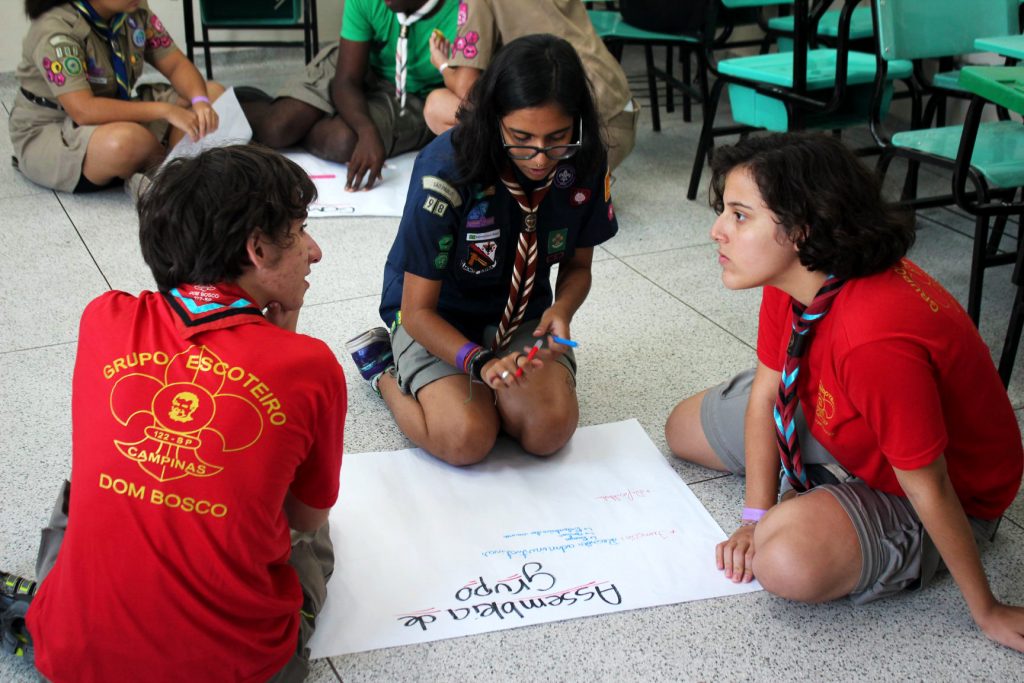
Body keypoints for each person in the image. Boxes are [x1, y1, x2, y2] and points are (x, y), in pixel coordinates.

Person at [665, 132, 1024, 652]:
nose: (717, 230)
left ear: (802, 229)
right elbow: (769, 394)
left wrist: (986, 610)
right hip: (846, 410)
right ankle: (827, 481)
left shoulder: (873, 338)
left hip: (948, 491)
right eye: (725, 212)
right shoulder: (797, 274)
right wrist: (753, 518)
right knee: (683, 429)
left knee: (783, 560)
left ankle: (837, 494)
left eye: (740, 216)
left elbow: (931, 485)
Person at [1, 145, 347, 681]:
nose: (314, 250)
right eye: (299, 232)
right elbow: (304, 518)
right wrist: (283, 346)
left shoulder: (102, 318)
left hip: (69, 658)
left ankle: (48, 602)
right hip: (242, 671)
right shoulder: (312, 367)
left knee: (82, 494)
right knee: (315, 537)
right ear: (257, 249)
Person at [347, 33, 617, 466]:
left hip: (521, 313)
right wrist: (477, 362)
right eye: (521, 136)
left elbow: (578, 266)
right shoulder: (445, 171)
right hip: (437, 318)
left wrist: (563, 308)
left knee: (548, 432)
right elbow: (418, 312)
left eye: (557, 136)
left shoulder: (582, 160)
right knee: (465, 439)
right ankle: (382, 371)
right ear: (493, 119)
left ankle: (490, 393)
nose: (541, 157)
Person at [240, 0, 457, 191]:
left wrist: (361, 134)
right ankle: (241, 105)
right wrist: (367, 130)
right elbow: (346, 80)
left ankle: (306, 123)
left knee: (343, 141)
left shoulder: (465, 10)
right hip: (362, 66)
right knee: (277, 127)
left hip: (414, 95)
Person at [10, 0, 223, 194]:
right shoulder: (56, 30)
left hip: (116, 109)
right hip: (53, 126)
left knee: (213, 94)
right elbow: (83, 110)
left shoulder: (133, 10)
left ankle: (174, 165)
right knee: (124, 142)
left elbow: (176, 65)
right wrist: (165, 111)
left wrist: (200, 102)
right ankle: (175, 169)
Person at [423, 0, 639, 171]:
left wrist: (442, 64)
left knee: (437, 105)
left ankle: (516, 188)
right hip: (620, 116)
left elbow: (466, 88)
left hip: (583, 133)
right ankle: (581, 182)